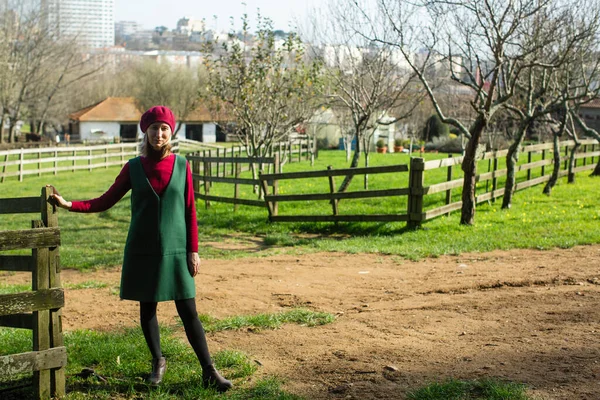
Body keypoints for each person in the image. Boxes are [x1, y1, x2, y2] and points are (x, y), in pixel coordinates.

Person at [49, 106, 232, 392]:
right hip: (142, 250)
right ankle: (158, 362)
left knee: (189, 311)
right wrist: (69, 204)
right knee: (147, 309)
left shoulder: (182, 166)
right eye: (154, 128)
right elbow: (105, 201)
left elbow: (190, 212)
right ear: (144, 132)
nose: (159, 134)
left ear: (170, 132)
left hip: (176, 250)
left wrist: (193, 251)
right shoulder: (134, 168)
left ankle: (209, 370)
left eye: (164, 129)